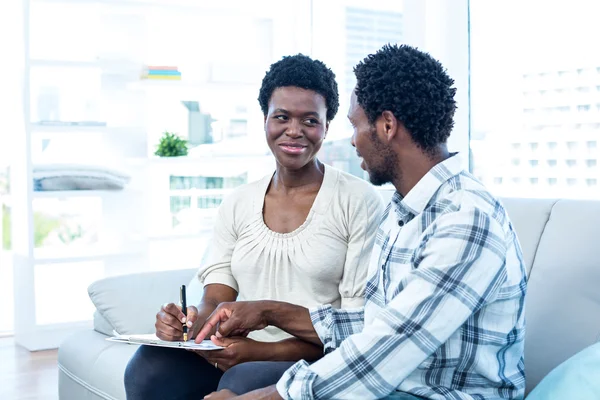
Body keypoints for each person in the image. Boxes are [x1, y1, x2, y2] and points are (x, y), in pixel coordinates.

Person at [199, 44, 527, 400]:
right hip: (395, 386)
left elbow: (387, 348)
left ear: (387, 126)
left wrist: (263, 399)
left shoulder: (465, 220)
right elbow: (375, 324)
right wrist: (269, 312)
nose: (353, 141)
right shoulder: (403, 211)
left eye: (356, 125)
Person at [123, 54, 384, 399]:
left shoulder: (359, 201)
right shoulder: (238, 201)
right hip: (235, 349)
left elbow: (357, 327)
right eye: (282, 117)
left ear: (327, 125)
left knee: (244, 380)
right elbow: (216, 297)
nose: (294, 131)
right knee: (148, 366)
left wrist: (260, 351)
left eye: (309, 120)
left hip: (313, 358)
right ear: (265, 120)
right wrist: (187, 324)